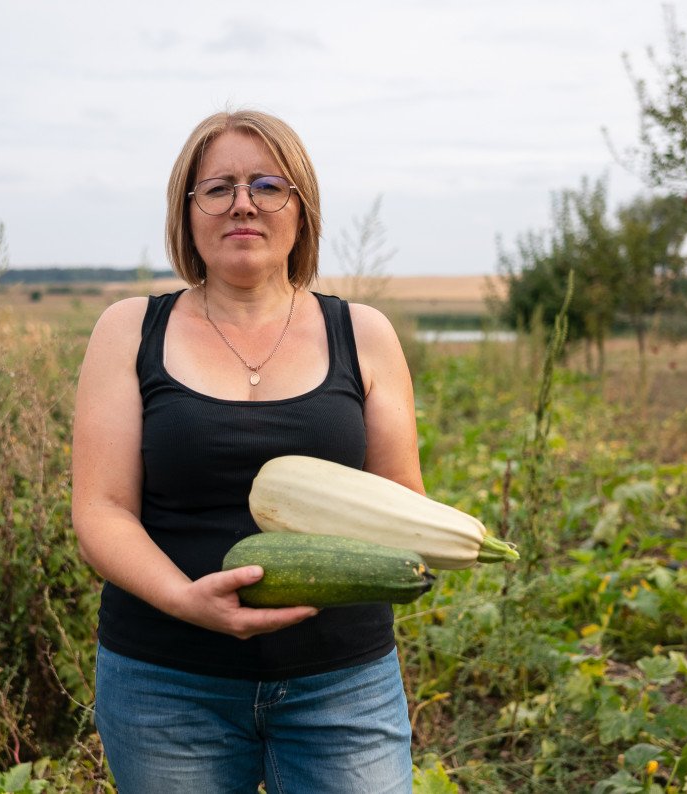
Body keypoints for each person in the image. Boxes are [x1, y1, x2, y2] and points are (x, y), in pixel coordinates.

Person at [71, 108, 423, 793]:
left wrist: (444, 543)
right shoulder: (128, 330)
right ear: (188, 210)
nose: (243, 204)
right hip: (165, 683)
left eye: (267, 185)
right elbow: (103, 511)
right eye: (218, 187)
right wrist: (185, 599)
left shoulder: (365, 334)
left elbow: (400, 505)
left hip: (342, 681)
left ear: (301, 208)